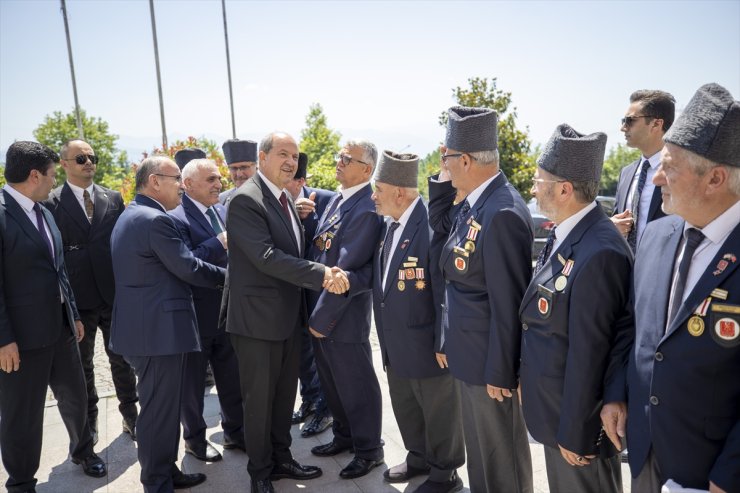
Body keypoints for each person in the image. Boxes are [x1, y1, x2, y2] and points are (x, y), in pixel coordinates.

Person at [605, 83, 739, 493]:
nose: (657, 177)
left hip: (709, 472)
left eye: (671, 166)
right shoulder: (656, 235)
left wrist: (728, 477)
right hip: (644, 450)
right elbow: (632, 322)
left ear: (715, 178)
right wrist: (615, 393)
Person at [222, 131, 348, 493]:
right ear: (262, 157)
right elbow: (266, 257)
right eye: (282, 154)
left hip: (287, 319)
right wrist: (322, 274)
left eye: (294, 156)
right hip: (256, 323)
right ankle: (260, 473)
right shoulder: (247, 200)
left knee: (281, 399)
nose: (291, 161)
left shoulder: (283, 199)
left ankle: (282, 459)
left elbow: (293, 248)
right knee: (259, 402)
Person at [519, 124, 632, 492]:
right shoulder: (567, 232)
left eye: (539, 180)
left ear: (565, 189)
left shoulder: (600, 251)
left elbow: (592, 352)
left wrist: (577, 432)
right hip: (555, 412)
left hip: (575, 427)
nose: (533, 188)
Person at [429, 106, 534, 492]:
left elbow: (509, 303)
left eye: (447, 159)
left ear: (467, 160)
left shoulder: (501, 210)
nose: (444, 166)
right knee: (482, 460)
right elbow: (440, 232)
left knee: (501, 461)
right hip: (470, 355)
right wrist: (442, 179)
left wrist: (501, 371)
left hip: (490, 364)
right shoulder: (475, 202)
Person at [109, 156, 226, 493]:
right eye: (176, 178)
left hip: (147, 331)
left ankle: (166, 470)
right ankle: (157, 481)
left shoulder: (133, 214)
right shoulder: (155, 221)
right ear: (155, 181)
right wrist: (231, 279)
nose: (180, 185)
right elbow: (188, 267)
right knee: (158, 412)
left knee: (162, 408)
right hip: (157, 335)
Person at [0, 141, 106, 493]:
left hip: (60, 327)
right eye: (51, 174)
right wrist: (3, 339)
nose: (53, 181)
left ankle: (83, 451)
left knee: (76, 397)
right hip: (21, 340)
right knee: (22, 416)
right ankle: (21, 482)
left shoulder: (44, 211)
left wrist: (72, 314)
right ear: (34, 175)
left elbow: (60, 270)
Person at [371, 150, 465, 493]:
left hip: (426, 342)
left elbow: (444, 288)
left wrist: (444, 338)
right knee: (406, 405)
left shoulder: (429, 225)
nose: (373, 196)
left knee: (439, 410)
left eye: (378, 189)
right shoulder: (388, 225)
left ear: (399, 192)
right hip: (396, 341)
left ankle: (445, 472)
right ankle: (419, 457)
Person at [43, 139, 138, 445]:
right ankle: (90, 424)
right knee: (82, 368)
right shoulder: (50, 203)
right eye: (80, 158)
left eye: (92, 157)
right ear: (65, 164)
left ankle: (131, 417)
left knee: (122, 360)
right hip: (78, 302)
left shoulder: (112, 198)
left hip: (113, 295)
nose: (88, 162)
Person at [307, 140, 385, 480]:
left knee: (356, 384)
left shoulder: (366, 207)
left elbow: (346, 266)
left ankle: (368, 450)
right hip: (323, 311)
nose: (338, 162)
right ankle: (344, 436)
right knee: (332, 382)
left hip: (342, 314)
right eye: (338, 155)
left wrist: (321, 320)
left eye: (345, 159)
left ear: (366, 170)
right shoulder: (340, 199)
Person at [169, 159, 244, 462]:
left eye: (218, 178)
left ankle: (236, 433)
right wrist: (218, 242)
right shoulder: (175, 219)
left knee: (232, 377)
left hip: (230, 312)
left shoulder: (224, 211)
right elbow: (186, 264)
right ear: (188, 185)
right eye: (211, 179)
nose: (219, 184)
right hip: (196, 316)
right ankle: (195, 441)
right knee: (192, 384)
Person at [286, 152, 334, 437]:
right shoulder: (278, 201)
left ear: (301, 180)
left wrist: (308, 219)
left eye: (290, 180)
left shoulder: (325, 199)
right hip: (293, 291)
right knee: (303, 353)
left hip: (321, 290)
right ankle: (309, 401)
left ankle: (325, 410)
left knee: (323, 355)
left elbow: (329, 243)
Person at [612, 90, 675, 250]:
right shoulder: (626, 173)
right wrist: (611, 226)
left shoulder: (680, 172)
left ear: (656, 124)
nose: (623, 127)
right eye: (623, 120)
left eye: (630, 120)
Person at [220, 139, 258, 207]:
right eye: (233, 168)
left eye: (244, 167)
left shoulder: (272, 197)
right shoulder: (221, 200)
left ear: (256, 167)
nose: (239, 174)